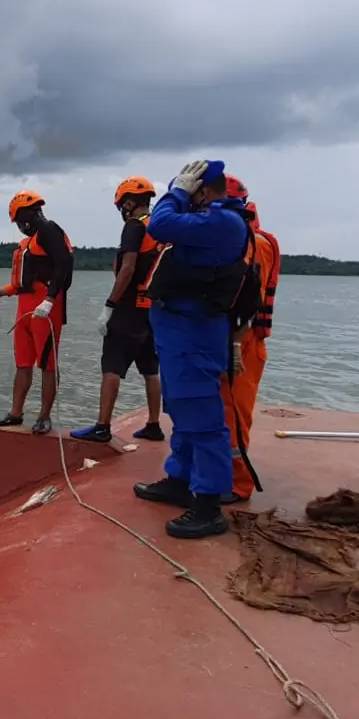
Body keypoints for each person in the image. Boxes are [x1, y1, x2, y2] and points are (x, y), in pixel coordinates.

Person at [130, 160, 255, 539]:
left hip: (195, 335)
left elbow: (159, 223)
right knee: (184, 415)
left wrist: (177, 193)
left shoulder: (223, 223)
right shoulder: (209, 223)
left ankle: (208, 504)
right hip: (180, 334)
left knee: (203, 420)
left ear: (202, 191)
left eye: (188, 190)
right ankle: (180, 480)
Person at [71, 176, 166, 444]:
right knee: (150, 369)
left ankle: (102, 426)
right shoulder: (159, 228)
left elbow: (127, 269)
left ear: (128, 203)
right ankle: (154, 424)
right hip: (152, 309)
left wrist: (110, 305)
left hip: (128, 308)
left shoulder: (134, 227)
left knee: (111, 365)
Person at [0, 191, 74, 435]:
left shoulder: (50, 231)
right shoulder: (27, 244)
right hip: (24, 310)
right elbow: (25, 281)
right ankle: (16, 413)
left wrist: (50, 299)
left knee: (47, 364)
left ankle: (44, 416)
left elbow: (63, 263)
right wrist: (0, 292)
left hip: (46, 310)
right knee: (23, 363)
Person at [218, 174, 281, 503]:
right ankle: (217, 476)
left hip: (242, 342)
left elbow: (248, 303)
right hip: (229, 339)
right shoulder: (239, 240)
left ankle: (238, 484)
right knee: (220, 411)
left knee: (235, 414)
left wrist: (233, 346)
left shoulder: (255, 245)